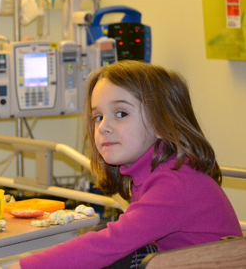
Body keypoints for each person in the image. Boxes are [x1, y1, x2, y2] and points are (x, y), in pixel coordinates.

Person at [13, 61, 242, 269]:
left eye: (121, 113)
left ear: (162, 124)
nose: (103, 127)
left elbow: (111, 243)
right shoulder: (153, 174)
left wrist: (25, 267)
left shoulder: (176, 183)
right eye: (98, 117)